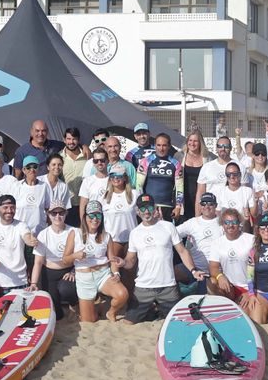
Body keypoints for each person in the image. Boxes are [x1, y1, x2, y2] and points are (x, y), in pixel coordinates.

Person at [121, 195, 203, 324]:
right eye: (143, 208)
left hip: (168, 287)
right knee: (128, 322)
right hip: (143, 287)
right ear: (137, 211)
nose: (146, 211)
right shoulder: (135, 233)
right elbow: (130, 260)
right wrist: (123, 263)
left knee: (178, 321)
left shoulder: (168, 226)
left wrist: (193, 270)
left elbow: (182, 251)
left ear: (154, 208)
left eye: (149, 207)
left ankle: (157, 309)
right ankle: (152, 310)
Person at [73, 204, 129, 322]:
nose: (95, 219)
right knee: (89, 320)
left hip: (103, 274)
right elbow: (65, 259)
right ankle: (94, 308)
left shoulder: (106, 236)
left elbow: (112, 258)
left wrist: (116, 273)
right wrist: (75, 255)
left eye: (98, 215)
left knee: (122, 294)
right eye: (92, 215)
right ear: (85, 217)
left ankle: (111, 312)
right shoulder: (75, 234)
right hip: (84, 277)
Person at [30, 203, 79, 320]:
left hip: (68, 271)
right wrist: (33, 283)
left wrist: (73, 271)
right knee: (56, 315)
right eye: (54, 213)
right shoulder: (43, 234)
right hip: (49, 273)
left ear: (66, 214)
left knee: (66, 289)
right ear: (48, 214)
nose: (58, 216)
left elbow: (80, 257)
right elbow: (38, 262)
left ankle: (75, 305)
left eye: (61, 213)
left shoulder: (74, 231)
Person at [137, 133, 184, 222]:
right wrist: (141, 204)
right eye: (158, 145)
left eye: (164, 145)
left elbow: (180, 187)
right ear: (155, 145)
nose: (161, 148)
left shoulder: (176, 164)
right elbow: (139, 185)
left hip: (168, 207)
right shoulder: (146, 161)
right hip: (148, 206)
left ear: (169, 146)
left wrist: (178, 206)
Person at [213, 161, 256, 227]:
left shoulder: (248, 191)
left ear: (240, 174)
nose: (232, 176)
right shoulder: (220, 191)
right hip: (225, 229)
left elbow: (254, 214)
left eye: (235, 174)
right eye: (228, 174)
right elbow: (217, 213)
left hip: (243, 227)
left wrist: (256, 202)